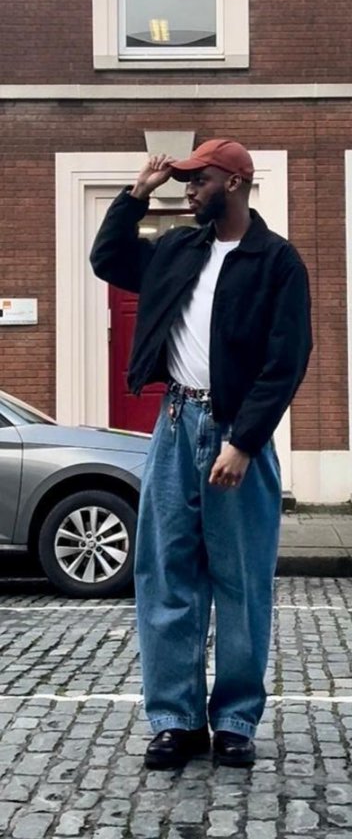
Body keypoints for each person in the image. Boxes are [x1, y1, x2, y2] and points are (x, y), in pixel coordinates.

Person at [90, 138, 312, 770]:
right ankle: (176, 721)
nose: (187, 191)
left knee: (240, 581)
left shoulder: (276, 262)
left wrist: (245, 441)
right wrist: (138, 193)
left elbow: (285, 360)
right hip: (175, 422)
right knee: (166, 575)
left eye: (198, 180)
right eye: (184, 182)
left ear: (235, 184)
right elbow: (106, 257)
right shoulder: (175, 251)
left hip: (236, 433)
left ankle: (236, 720)